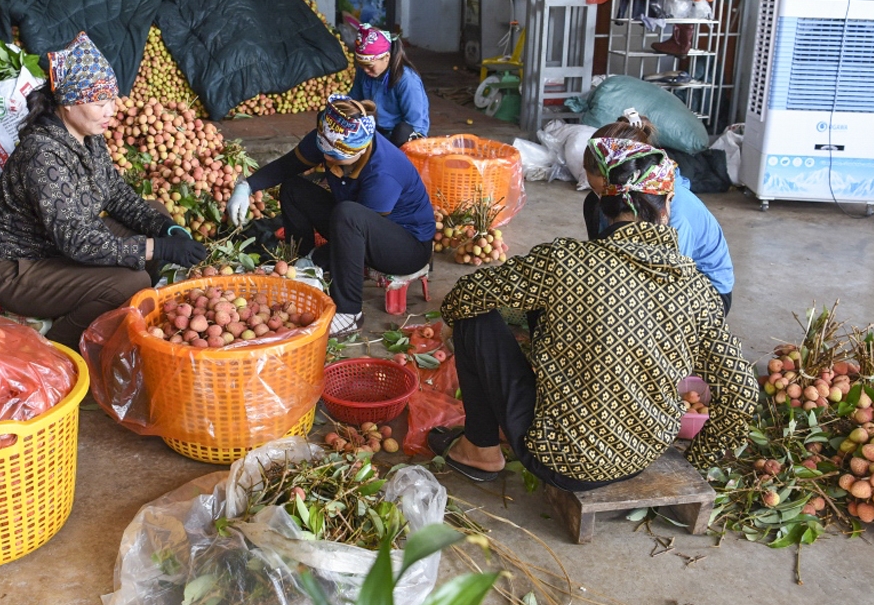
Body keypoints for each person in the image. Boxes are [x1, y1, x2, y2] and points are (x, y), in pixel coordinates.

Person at [431, 137, 758, 492]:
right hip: (642, 457)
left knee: (474, 318)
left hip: (558, 459)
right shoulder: (695, 288)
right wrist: (698, 459)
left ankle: (480, 448)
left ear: (604, 203)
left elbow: (463, 297)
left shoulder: (564, 262)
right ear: (666, 204)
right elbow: (740, 392)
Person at [0, 32, 207, 348]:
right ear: (68, 104)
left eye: (112, 101)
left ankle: (116, 320)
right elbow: (76, 240)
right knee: (130, 282)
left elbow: (114, 192)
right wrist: (159, 248)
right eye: (101, 103)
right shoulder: (43, 155)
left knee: (155, 212)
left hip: (59, 249)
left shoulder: (88, 137)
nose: (110, 111)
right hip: (23, 269)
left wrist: (165, 228)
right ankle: (54, 351)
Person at [226, 94, 435, 338]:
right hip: (352, 222)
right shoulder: (331, 139)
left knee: (349, 214)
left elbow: (360, 234)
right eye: (324, 153)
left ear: (359, 150)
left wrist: (321, 257)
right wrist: (247, 186)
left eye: (334, 157)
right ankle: (297, 262)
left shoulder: (384, 172)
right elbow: (287, 166)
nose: (326, 159)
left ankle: (350, 314)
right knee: (294, 189)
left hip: (406, 247)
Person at [582, 110, 734, 314]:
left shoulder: (675, 210)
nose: (602, 199)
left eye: (604, 191)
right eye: (597, 191)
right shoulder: (599, 202)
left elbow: (674, 283)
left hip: (698, 287)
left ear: (629, 175)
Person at [347, 23, 430, 147]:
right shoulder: (364, 72)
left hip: (403, 137)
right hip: (379, 130)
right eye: (361, 65)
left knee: (402, 130)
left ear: (386, 57)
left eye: (369, 66)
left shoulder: (407, 80)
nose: (365, 70)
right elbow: (354, 101)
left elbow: (415, 124)